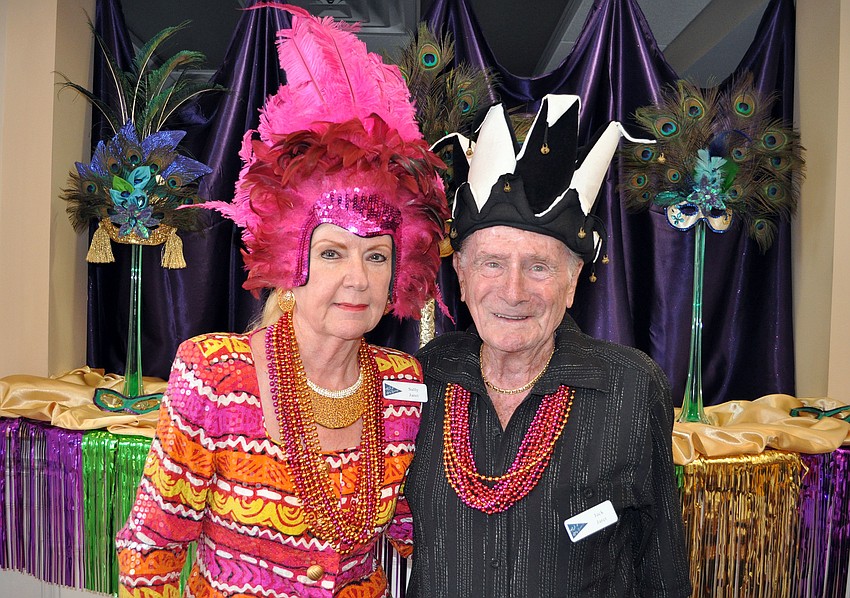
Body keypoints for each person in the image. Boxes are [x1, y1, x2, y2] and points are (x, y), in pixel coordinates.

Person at [115, 6, 448, 597]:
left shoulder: (403, 388)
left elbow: (426, 529)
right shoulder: (216, 374)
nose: (358, 280)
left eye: (376, 256)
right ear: (290, 263)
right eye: (332, 254)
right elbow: (153, 547)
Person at [406, 96, 692, 597]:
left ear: (573, 279)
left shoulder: (629, 385)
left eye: (539, 266)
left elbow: (660, 560)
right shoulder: (422, 377)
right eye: (492, 263)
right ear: (462, 277)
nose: (513, 291)